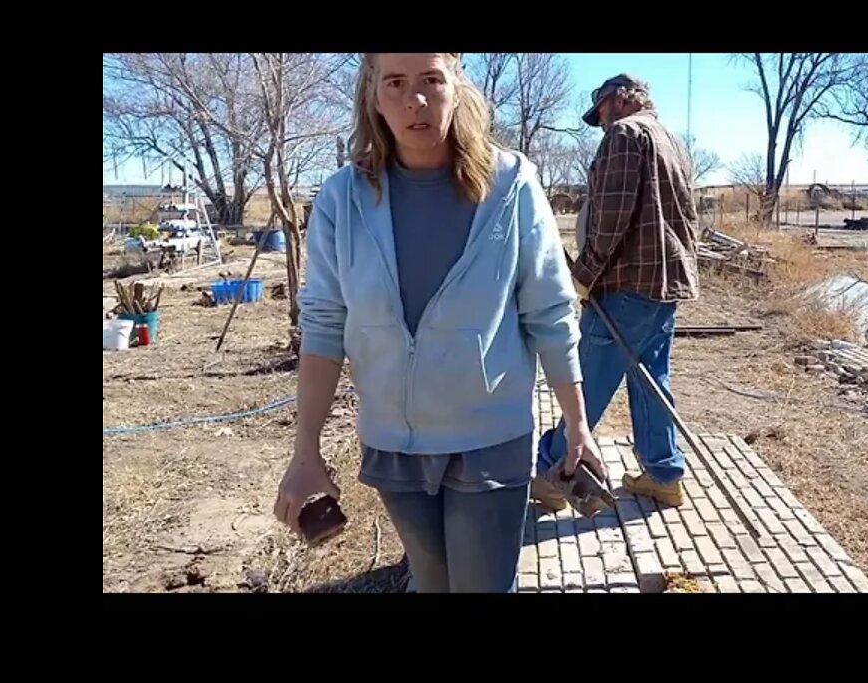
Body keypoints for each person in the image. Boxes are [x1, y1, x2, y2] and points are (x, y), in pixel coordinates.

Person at [273, 53, 604, 593]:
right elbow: (324, 324)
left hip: (490, 439)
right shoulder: (341, 198)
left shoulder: (511, 186)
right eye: (396, 83)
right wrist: (305, 451)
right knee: (430, 580)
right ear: (373, 94)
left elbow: (549, 310)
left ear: (456, 85)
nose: (415, 100)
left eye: (431, 80)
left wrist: (577, 424)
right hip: (394, 445)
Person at [533, 74, 700, 510]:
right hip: (663, 286)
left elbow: (611, 217)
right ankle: (663, 474)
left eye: (602, 108)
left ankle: (554, 472)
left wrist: (584, 274)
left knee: (585, 382)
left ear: (623, 99)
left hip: (626, 286)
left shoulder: (627, 134)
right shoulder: (673, 141)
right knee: (651, 382)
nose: (601, 120)